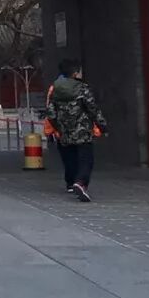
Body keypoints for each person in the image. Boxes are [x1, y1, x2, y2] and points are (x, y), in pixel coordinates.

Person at [45, 58, 107, 202]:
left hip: (64, 131)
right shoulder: (82, 88)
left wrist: (57, 127)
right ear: (75, 73)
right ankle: (81, 182)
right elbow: (93, 109)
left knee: (70, 158)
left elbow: (51, 112)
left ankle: (71, 182)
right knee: (86, 159)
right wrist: (102, 125)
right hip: (82, 130)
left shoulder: (56, 89)